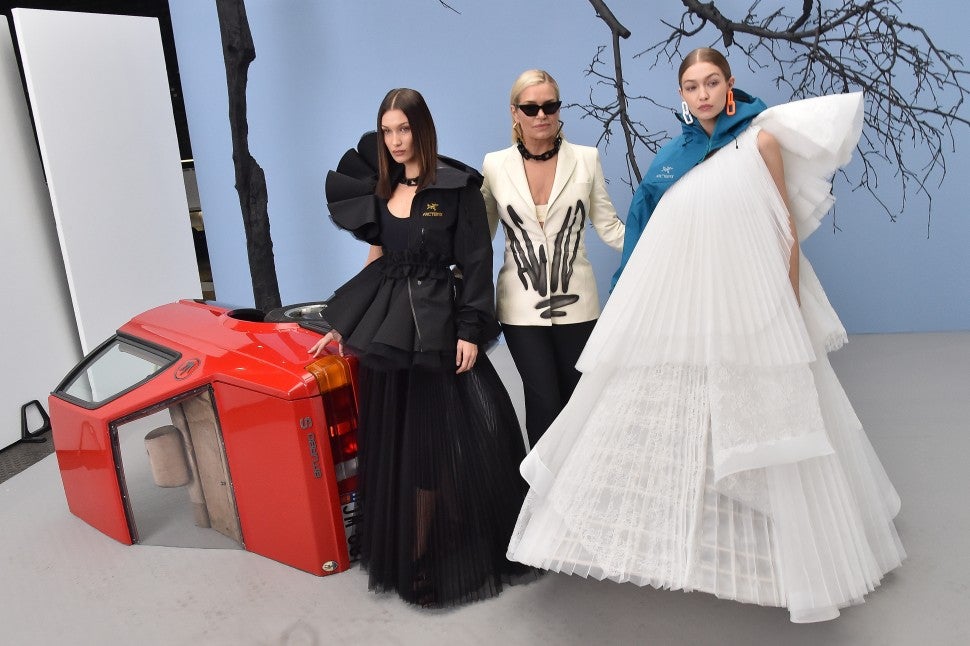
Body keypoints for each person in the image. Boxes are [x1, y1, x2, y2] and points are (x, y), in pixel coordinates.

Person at [506, 48, 905, 623]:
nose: (702, 94)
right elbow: (662, 230)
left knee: (773, 411)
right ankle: (691, 532)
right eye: (691, 86)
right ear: (683, 95)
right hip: (694, 306)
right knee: (694, 408)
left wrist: (787, 305)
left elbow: (782, 228)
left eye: (711, 82)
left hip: (752, 302)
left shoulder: (760, 139)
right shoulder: (676, 158)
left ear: (729, 84)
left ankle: (799, 548)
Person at [310, 88, 530, 608]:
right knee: (400, 444)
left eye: (403, 130)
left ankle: (422, 552)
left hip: (438, 337)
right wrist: (342, 325)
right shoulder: (381, 189)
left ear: (422, 130)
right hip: (389, 341)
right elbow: (377, 262)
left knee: (434, 446)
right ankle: (421, 538)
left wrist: (471, 332)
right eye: (386, 131)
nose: (395, 141)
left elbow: (477, 264)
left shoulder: (456, 189)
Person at [481, 69, 625, 448]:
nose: (541, 115)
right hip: (519, 309)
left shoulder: (586, 159)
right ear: (515, 113)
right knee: (543, 401)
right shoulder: (495, 166)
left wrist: (660, 243)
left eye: (550, 106)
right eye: (531, 108)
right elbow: (480, 238)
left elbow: (610, 228)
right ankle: (544, 500)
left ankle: (582, 495)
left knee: (579, 402)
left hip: (580, 306)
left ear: (559, 109)